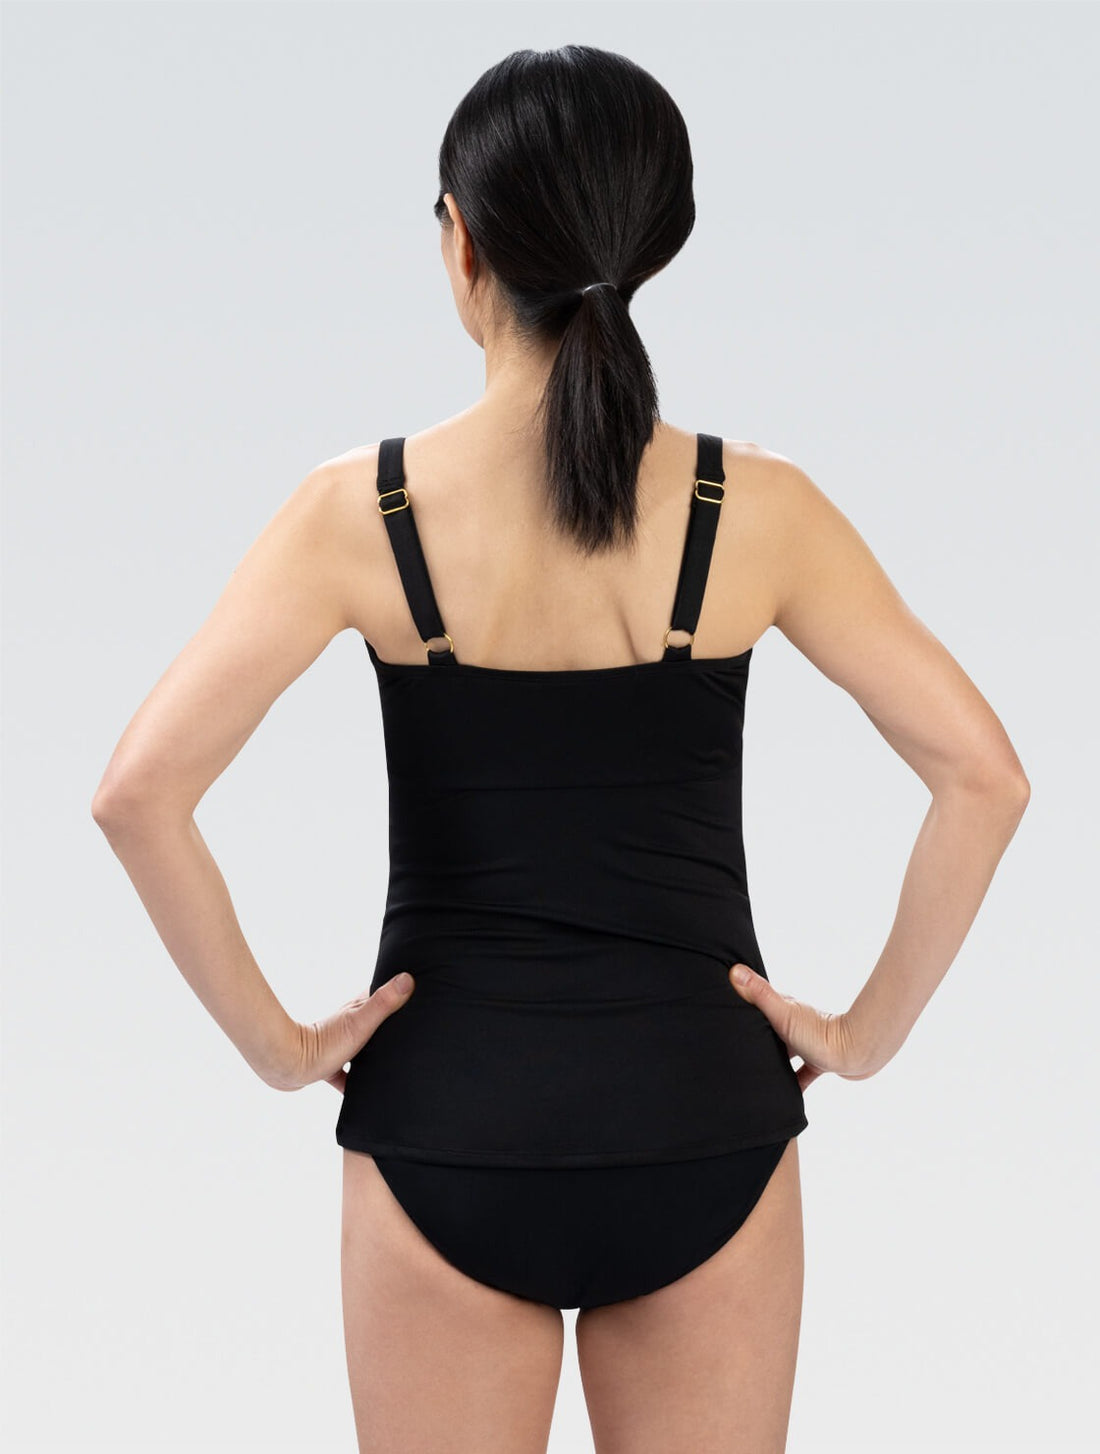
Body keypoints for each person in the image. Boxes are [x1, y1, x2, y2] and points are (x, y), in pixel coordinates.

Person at [91, 44, 1030, 1454]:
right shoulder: (758, 508)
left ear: (460, 241)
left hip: (445, 1127)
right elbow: (985, 777)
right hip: (703, 1123)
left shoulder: (361, 511)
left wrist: (282, 1049)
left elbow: (138, 794)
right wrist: (863, 1037)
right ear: (654, 241)